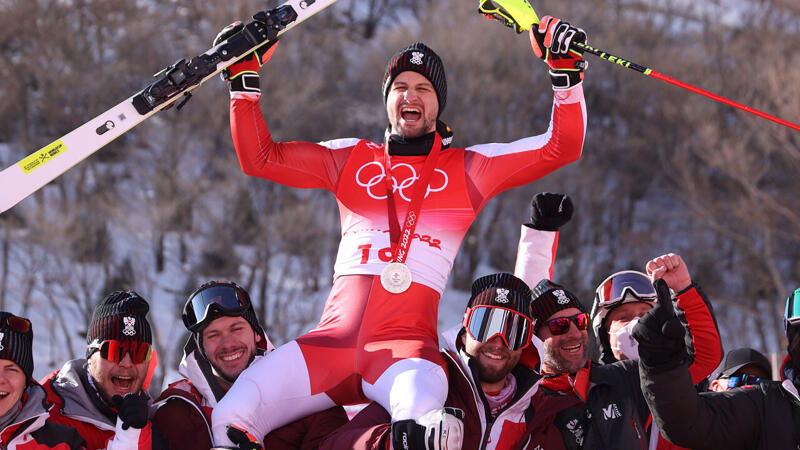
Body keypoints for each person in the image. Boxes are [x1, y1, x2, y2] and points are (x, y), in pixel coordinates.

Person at [211, 11, 590, 448]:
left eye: (424, 88)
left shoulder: (469, 169)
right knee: (232, 416)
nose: (412, 96)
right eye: (401, 87)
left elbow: (560, 147)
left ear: (437, 103)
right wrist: (243, 80)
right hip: (330, 345)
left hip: (406, 354)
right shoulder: (350, 158)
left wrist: (565, 77)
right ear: (388, 99)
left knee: (426, 429)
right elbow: (260, 158)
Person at [320, 273, 571, 450]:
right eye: (485, 325)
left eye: (514, 332)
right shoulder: (425, 379)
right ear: (465, 327)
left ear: (527, 341)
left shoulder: (538, 411)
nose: (498, 342)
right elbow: (334, 444)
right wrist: (394, 441)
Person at [514, 253, 721, 449]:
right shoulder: (522, 399)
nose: (574, 332)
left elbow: (702, 359)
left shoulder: (626, 378)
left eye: (579, 321)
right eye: (559, 325)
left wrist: (684, 289)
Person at [153, 281, 348, 449]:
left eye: (236, 329)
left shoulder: (304, 392)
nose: (227, 344)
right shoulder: (174, 411)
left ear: (257, 334)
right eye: (213, 335)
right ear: (201, 346)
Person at [635, 286, 800, 449]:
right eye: (740, 379)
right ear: (794, 342)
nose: (749, 383)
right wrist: (663, 362)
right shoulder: (766, 406)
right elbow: (689, 422)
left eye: (756, 379)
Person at [41, 291, 166, 449]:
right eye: (114, 351)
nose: (127, 363)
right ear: (90, 355)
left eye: (139, 353)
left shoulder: (156, 419)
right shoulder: (47, 412)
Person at [0, 311, 85, 449]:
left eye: (11, 369)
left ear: (25, 382)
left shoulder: (62, 442)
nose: (1, 379)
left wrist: (126, 439)